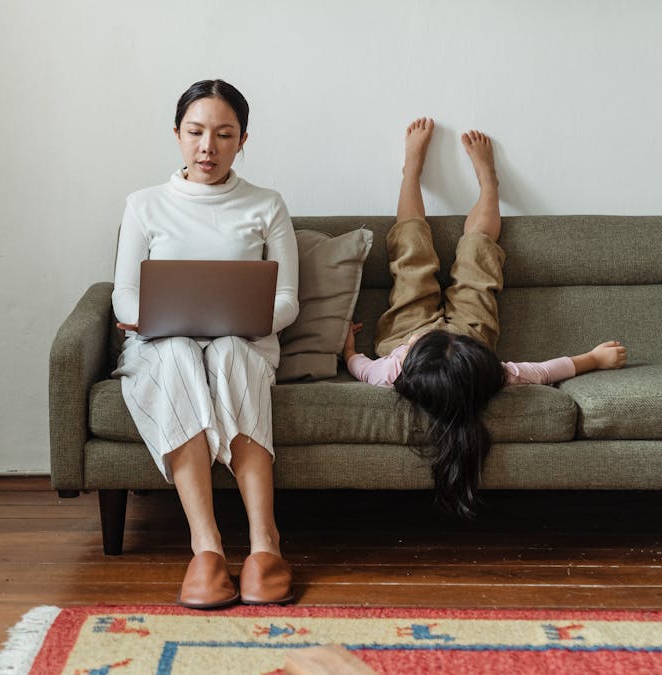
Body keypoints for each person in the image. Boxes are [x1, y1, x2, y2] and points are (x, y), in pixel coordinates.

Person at [343, 118, 627, 519]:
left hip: (407, 334)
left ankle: (411, 172)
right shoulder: (489, 371)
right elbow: (544, 371)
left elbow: (361, 369)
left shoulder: (393, 369)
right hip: (469, 337)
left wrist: (348, 348)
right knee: (479, 255)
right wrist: (593, 359)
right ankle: (489, 184)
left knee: (410, 256)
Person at [112, 79, 299, 608]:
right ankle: (206, 548)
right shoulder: (144, 204)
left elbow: (287, 299)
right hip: (161, 342)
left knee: (231, 354)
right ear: (177, 134)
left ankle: (265, 544)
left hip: (245, 339)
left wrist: (246, 322)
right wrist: (151, 318)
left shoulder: (267, 205)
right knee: (175, 356)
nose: (207, 147)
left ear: (243, 140)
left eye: (223, 134)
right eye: (195, 132)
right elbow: (124, 294)